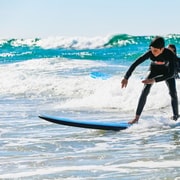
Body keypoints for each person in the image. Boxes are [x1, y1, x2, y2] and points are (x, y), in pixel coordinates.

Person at [121, 36, 179, 124]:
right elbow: (135, 63)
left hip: (167, 72)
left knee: (173, 93)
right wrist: (126, 77)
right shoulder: (150, 53)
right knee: (145, 91)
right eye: (152, 49)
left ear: (162, 49)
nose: (153, 52)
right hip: (154, 70)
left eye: (156, 50)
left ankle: (176, 116)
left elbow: (171, 74)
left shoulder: (169, 54)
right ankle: (136, 118)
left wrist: (155, 80)